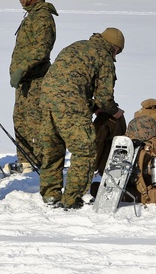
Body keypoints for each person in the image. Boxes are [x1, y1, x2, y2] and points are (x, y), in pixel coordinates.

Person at [39, 28, 126, 209]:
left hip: (46, 100)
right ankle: (72, 199)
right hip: (71, 104)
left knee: (53, 150)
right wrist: (114, 111)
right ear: (114, 48)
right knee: (85, 151)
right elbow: (104, 97)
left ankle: (50, 195)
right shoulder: (104, 57)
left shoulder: (77, 46)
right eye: (117, 51)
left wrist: (93, 107)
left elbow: (73, 80)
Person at [9, 0, 58, 171]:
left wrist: (22, 68)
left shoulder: (43, 17)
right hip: (25, 81)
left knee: (35, 121)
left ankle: (39, 161)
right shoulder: (32, 15)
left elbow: (41, 48)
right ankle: (25, 161)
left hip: (36, 79)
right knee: (20, 119)